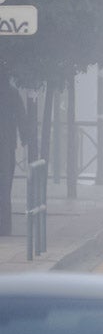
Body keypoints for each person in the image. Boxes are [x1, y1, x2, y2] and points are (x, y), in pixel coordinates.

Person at [0, 71, 30, 236]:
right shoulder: (11, 92)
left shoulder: (12, 92)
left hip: (6, 144)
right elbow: (21, 116)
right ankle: (4, 226)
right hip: (6, 145)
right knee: (4, 187)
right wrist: (25, 138)